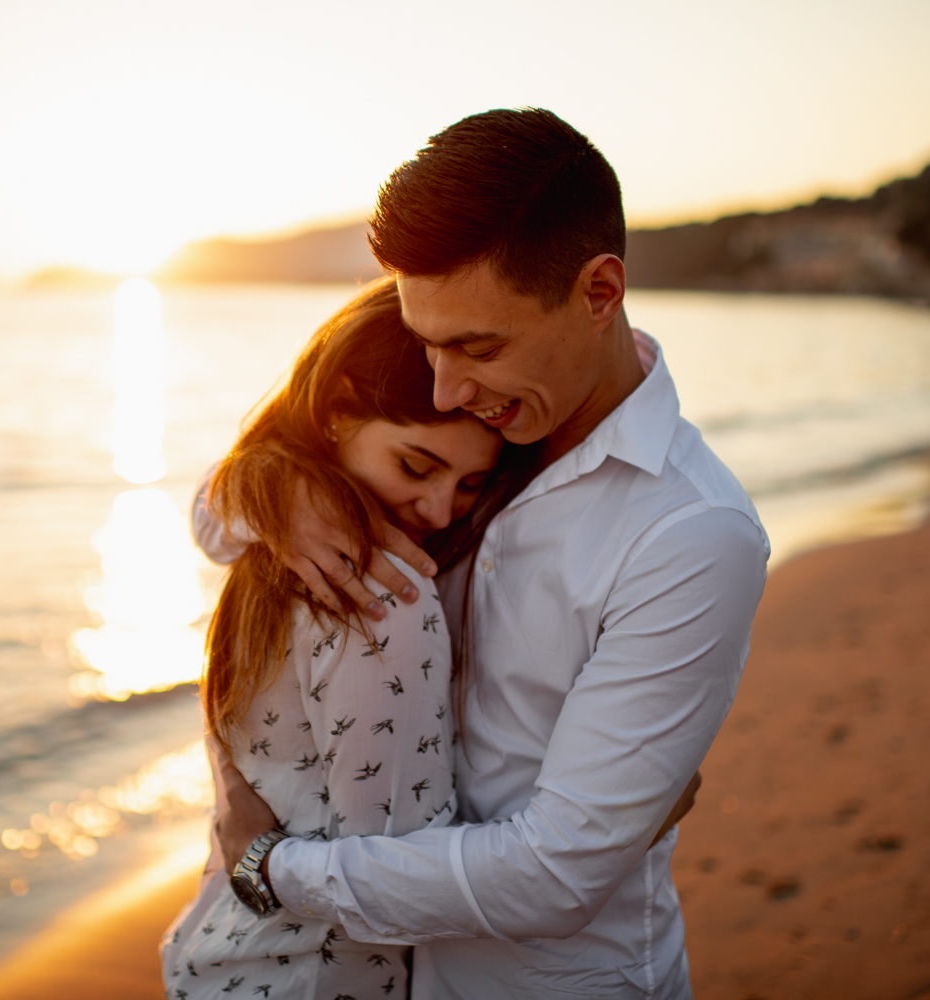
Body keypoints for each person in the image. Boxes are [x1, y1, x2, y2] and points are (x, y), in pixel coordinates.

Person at [194, 108, 769, 998]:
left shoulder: (692, 534)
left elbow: (556, 873)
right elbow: (215, 518)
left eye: (478, 348)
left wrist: (270, 867)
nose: (446, 386)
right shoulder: (470, 427)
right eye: (428, 345)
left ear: (600, 292)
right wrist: (280, 487)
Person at [161, 280, 529, 998]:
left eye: (470, 484)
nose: (438, 508)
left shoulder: (272, 545)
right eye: (416, 466)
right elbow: (397, 880)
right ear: (334, 414)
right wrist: (614, 826)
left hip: (225, 959)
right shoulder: (378, 592)